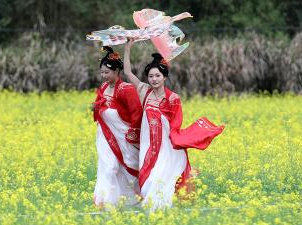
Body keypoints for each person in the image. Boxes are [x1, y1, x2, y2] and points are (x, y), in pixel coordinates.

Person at [122, 43, 224, 210]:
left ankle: (162, 209)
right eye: (151, 76)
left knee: (161, 177)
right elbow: (127, 72)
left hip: (166, 147)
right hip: (149, 148)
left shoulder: (173, 98)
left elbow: (176, 124)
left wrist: (177, 141)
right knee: (149, 178)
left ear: (164, 77)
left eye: (157, 76)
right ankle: (151, 210)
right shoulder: (144, 92)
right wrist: (127, 47)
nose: (154, 79)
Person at [91, 47, 142, 207]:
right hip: (106, 136)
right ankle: (105, 201)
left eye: (107, 72)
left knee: (128, 167)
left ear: (117, 71)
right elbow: (100, 105)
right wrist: (95, 107)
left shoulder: (126, 89)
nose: (104, 76)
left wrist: (133, 134)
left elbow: (136, 113)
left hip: (124, 138)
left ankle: (132, 199)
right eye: (102, 72)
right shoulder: (104, 88)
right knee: (109, 166)